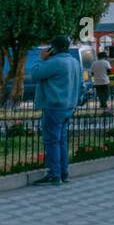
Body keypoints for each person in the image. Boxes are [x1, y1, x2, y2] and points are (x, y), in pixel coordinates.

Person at [25, 36, 83, 186]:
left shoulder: (56, 62)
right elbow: (81, 85)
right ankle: (64, 173)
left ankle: (54, 174)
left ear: (54, 48)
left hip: (53, 106)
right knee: (61, 140)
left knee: (52, 141)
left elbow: (35, 74)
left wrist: (41, 59)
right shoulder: (75, 62)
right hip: (68, 105)